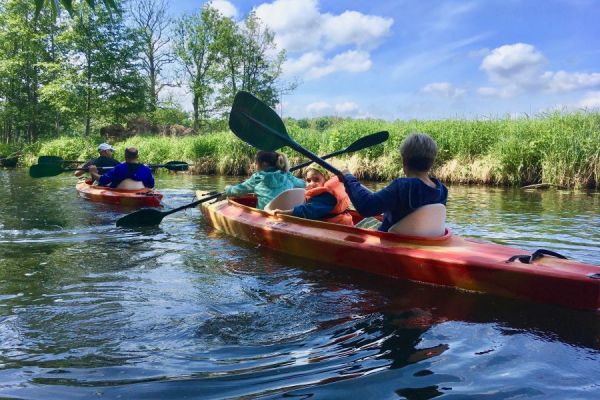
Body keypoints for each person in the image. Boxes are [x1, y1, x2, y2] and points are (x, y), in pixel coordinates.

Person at [342, 132, 448, 232]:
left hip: (393, 241)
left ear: (404, 161)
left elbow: (366, 207)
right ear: (432, 162)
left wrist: (348, 178)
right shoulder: (442, 190)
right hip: (424, 240)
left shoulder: (403, 186)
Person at [272, 166, 353, 226]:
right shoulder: (322, 194)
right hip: (339, 222)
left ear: (326, 179)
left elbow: (308, 210)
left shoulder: (327, 195)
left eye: (316, 179)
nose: (312, 183)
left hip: (337, 229)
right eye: (308, 180)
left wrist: (284, 213)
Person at [224, 150, 305, 210]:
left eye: (256, 163)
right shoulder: (287, 175)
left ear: (264, 164)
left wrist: (228, 189)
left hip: (266, 215)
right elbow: (303, 184)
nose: (254, 165)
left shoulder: (258, 178)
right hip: (287, 214)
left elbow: (238, 190)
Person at [89, 147, 155, 188]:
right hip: (140, 194)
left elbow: (103, 180)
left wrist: (93, 172)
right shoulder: (146, 169)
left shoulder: (119, 168)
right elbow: (151, 185)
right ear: (137, 156)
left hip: (121, 195)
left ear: (125, 156)